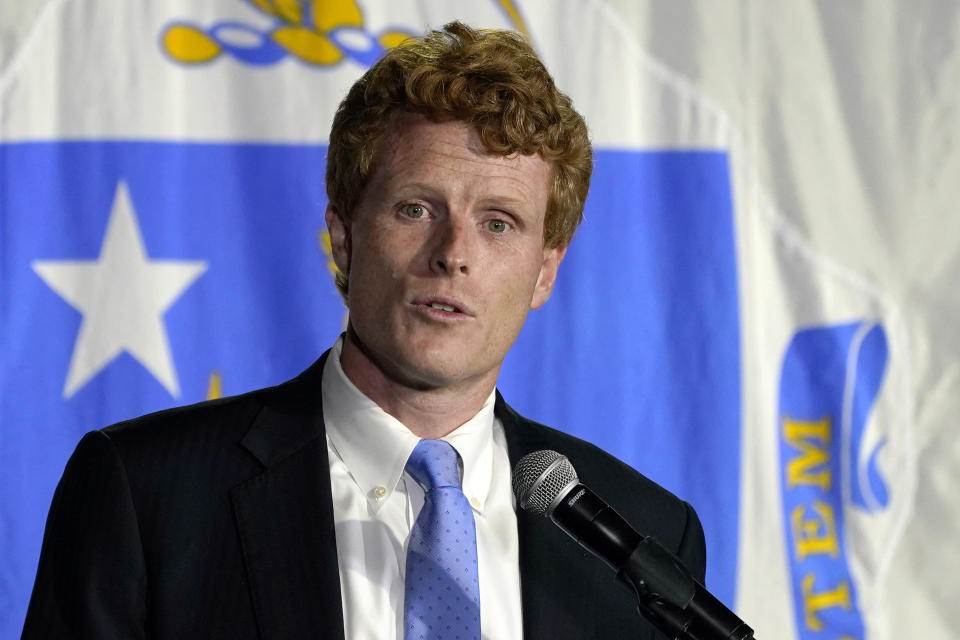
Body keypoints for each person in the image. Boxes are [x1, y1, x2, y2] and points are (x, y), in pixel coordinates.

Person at [22, 21, 705, 640]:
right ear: (342, 237)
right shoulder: (148, 496)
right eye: (416, 208)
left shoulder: (642, 537)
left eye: (499, 222)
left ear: (545, 271)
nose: (454, 252)